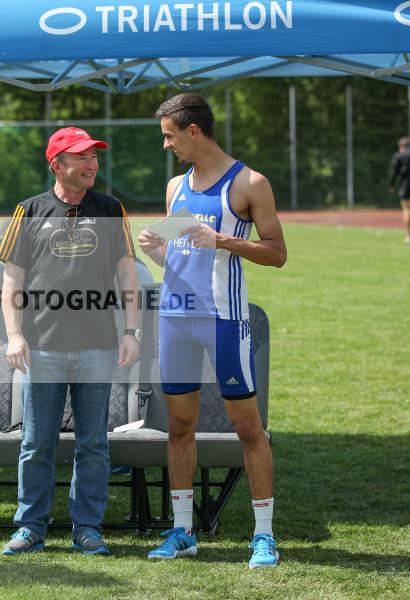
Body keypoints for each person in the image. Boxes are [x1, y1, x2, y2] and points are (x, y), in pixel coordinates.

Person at [137, 93, 287, 568]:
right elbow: (180, 257)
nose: (167, 145)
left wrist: (224, 239)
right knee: (179, 425)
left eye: (169, 135)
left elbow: (277, 252)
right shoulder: (175, 187)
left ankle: (263, 535)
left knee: (247, 427)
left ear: (192, 130)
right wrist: (154, 250)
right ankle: (182, 531)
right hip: (175, 321)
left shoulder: (249, 183)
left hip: (223, 322)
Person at [0, 127, 140, 556]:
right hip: (42, 348)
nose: (92, 163)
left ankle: (87, 528)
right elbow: (11, 281)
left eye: (94, 155)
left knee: (93, 442)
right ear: (57, 165)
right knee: (36, 441)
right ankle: (30, 526)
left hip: (99, 346)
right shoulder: (29, 211)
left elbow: (127, 274)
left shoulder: (112, 209)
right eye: (81, 157)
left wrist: (132, 332)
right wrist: (15, 334)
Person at [389, 136, 410, 242]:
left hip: (405, 185)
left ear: (401, 146)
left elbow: (395, 172)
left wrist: (391, 184)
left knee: (406, 208)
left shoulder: (399, 156)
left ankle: (409, 234)